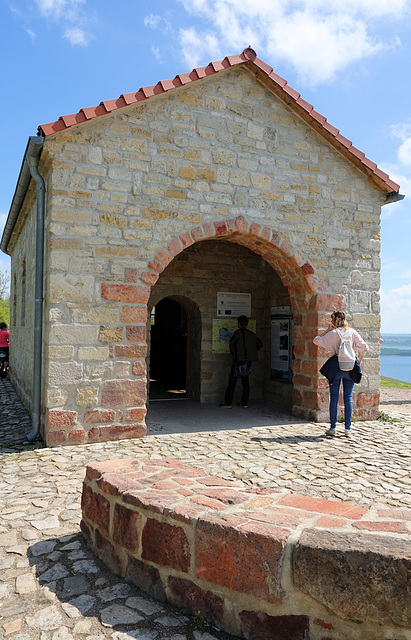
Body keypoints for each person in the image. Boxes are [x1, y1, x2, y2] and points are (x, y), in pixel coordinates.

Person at [313, 311, 368, 437]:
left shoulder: (333, 333)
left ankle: (333, 428)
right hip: (350, 367)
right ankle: (348, 429)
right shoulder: (352, 332)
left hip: (336, 368)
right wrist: (357, 361)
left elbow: (316, 340)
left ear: (333, 321)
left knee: (334, 397)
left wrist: (327, 330)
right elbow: (365, 348)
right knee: (348, 397)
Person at [220, 315, 263, 409]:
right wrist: (252, 353)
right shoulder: (251, 334)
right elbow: (260, 344)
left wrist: (235, 355)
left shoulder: (237, 333)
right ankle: (244, 402)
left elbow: (232, 345)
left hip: (238, 360)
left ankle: (228, 403)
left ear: (239, 323)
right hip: (248, 361)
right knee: (245, 382)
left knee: (232, 382)